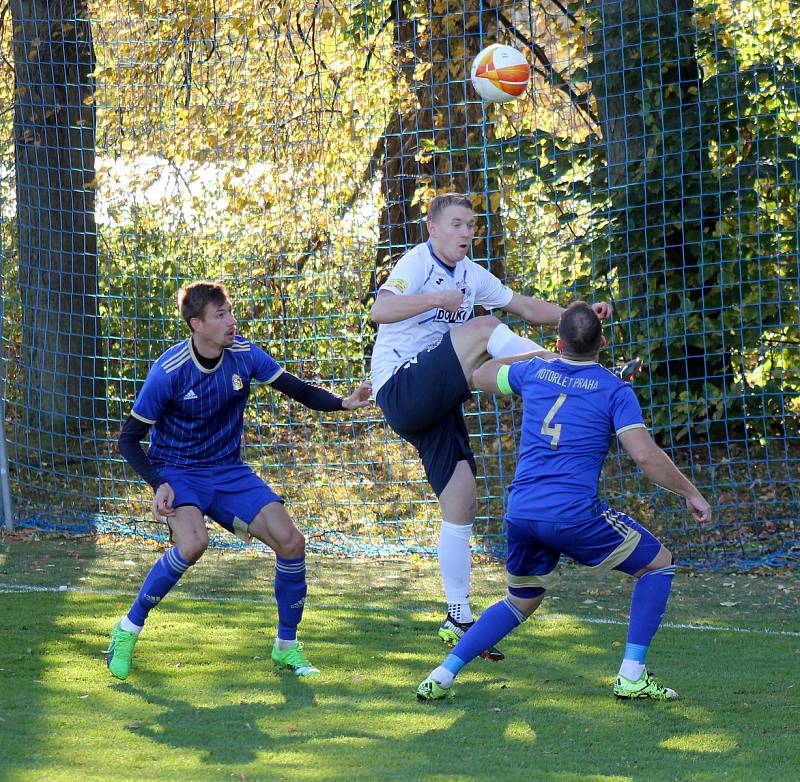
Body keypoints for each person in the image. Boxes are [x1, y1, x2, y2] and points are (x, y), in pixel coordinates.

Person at [370, 192, 628, 660]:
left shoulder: (470, 274)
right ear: (431, 228)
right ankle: (557, 366)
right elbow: (380, 310)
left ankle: (457, 615)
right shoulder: (416, 263)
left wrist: (579, 316)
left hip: (435, 395)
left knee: (462, 500)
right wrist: (434, 299)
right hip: (401, 386)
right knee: (485, 330)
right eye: (456, 224)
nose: (466, 232)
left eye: (470, 224)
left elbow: (526, 306)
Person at [415, 301, 711, 701]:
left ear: (558, 341)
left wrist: (541, 355)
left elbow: (478, 373)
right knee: (658, 565)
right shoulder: (614, 389)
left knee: (521, 601)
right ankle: (631, 675)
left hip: (521, 512)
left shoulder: (535, 371)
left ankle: (443, 674)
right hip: (573, 515)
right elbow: (644, 456)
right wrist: (691, 492)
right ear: (602, 343)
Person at [107, 281, 371, 680]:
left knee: (291, 541)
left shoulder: (245, 354)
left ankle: (286, 646)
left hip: (228, 470)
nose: (232, 321)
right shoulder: (169, 371)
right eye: (221, 315)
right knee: (193, 544)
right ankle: (127, 628)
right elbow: (128, 439)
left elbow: (295, 389)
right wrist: (158, 482)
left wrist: (343, 402)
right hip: (178, 471)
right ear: (196, 324)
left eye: (230, 311)